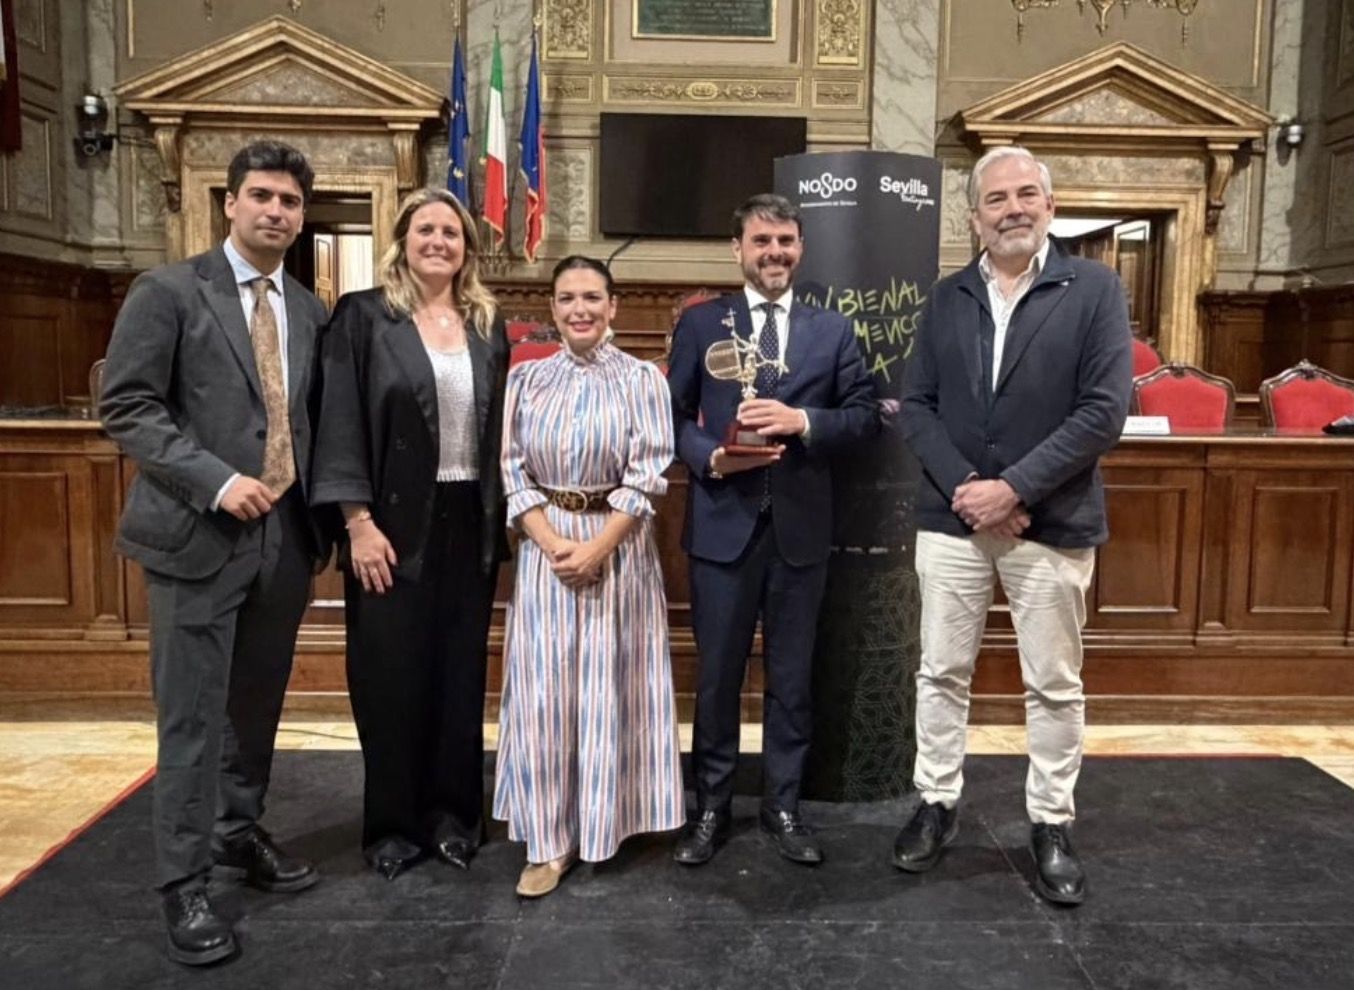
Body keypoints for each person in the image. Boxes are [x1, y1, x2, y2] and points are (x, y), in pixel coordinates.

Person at [99, 140, 327, 966]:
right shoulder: (168, 292)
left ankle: (236, 832)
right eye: (262, 196)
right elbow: (125, 404)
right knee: (191, 718)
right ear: (228, 203)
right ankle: (183, 883)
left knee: (254, 710)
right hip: (200, 534)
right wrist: (216, 480)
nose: (276, 211)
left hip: (283, 540)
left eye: (291, 203)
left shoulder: (307, 308)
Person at [895, 145, 1132, 905]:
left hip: (1051, 520)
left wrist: (1015, 488)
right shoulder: (947, 296)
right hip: (952, 518)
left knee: (1055, 685)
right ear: (974, 217)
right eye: (996, 199)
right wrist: (972, 488)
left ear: (1051, 206)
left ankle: (1050, 823)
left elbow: (1104, 411)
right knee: (939, 671)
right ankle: (935, 803)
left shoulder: (1093, 289)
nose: (1013, 209)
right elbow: (917, 406)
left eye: (1027, 194)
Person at [668, 194, 879, 867]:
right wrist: (709, 456)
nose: (775, 253)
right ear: (738, 249)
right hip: (722, 528)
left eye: (786, 240)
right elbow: (668, 419)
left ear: (801, 247)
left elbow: (868, 417)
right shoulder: (702, 325)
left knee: (792, 679)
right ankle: (711, 808)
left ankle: (783, 807)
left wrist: (805, 422)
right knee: (718, 678)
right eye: (762, 241)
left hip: (800, 532)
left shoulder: (831, 331)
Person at [310, 187, 508, 880]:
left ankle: (455, 818)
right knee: (390, 677)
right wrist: (356, 522)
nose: (439, 243)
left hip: (469, 520)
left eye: (451, 233)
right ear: (403, 239)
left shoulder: (487, 323)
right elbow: (338, 421)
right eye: (426, 230)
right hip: (389, 524)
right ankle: (393, 826)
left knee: (459, 676)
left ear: (466, 248)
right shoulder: (364, 317)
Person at [494, 255, 684, 898]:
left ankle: (604, 825)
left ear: (613, 307)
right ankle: (547, 843)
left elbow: (649, 474)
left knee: (608, 690)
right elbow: (512, 470)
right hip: (547, 554)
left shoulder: (641, 380)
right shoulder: (527, 381)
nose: (580, 309)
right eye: (568, 298)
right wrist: (551, 544)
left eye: (592, 298)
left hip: (618, 549)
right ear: (553, 308)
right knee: (546, 700)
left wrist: (599, 546)